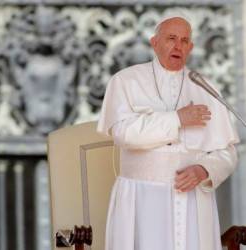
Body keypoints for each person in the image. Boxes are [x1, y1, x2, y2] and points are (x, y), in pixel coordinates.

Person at [97, 15, 239, 250]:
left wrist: (205, 169)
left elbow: (227, 152)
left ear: (190, 48)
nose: (178, 46)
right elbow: (123, 133)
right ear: (155, 43)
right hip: (141, 199)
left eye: (184, 41)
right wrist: (177, 119)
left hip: (194, 200)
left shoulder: (206, 87)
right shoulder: (125, 81)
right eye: (171, 38)